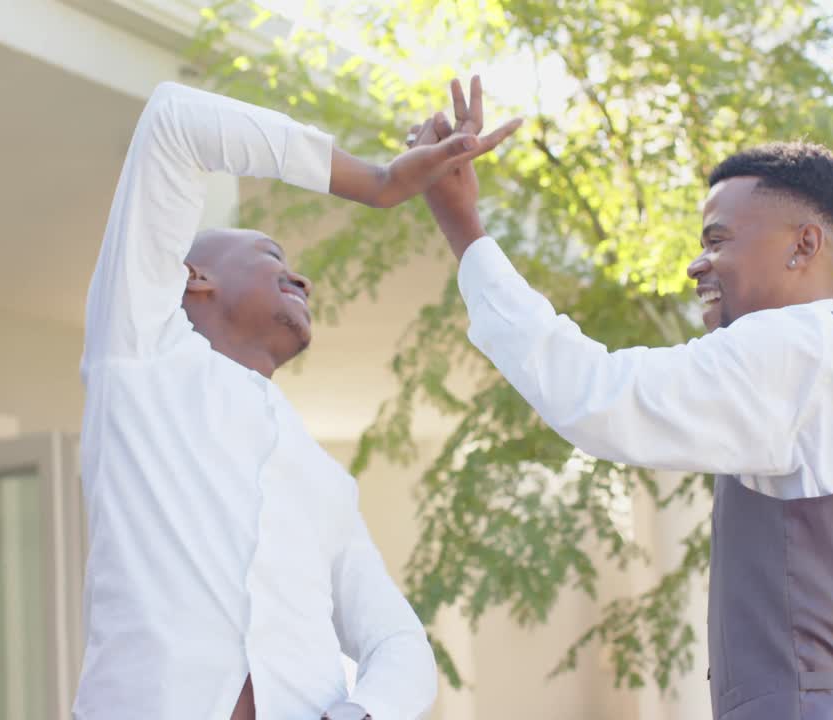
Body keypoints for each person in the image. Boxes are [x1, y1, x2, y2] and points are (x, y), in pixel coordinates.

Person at [409, 83, 833, 720]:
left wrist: (464, 229)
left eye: (717, 240)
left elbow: (596, 396)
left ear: (804, 245)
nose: (696, 265)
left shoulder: (789, 343)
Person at [74, 80, 519, 720]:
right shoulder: (140, 351)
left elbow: (398, 639)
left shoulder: (324, 480)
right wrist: (378, 182)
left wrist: (365, 712)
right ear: (192, 278)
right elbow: (174, 119)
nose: (302, 276)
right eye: (270, 252)